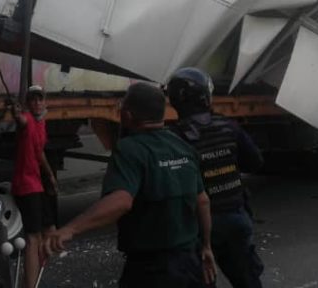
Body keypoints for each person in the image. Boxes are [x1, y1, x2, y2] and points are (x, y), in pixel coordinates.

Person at [44, 83, 216, 288]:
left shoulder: (129, 150)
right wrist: (206, 247)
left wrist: (70, 229)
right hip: (190, 262)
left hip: (151, 270)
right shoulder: (181, 146)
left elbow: (121, 201)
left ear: (127, 115)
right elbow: (203, 201)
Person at [167, 68, 264, 288]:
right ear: (205, 96)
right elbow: (255, 162)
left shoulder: (173, 138)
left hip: (197, 225)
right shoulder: (228, 126)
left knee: (203, 279)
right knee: (248, 280)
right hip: (235, 216)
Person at [12, 85, 58, 288]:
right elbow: (21, 121)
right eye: (33, 100)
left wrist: (49, 175)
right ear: (28, 104)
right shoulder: (28, 120)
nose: (37, 103)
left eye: (40, 99)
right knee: (33, 238)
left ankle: (27, 281)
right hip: (25, 186)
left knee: (49, 232)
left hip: (37, 184)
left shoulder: (41, 123)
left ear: (45, 102)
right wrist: (16, 113)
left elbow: (39, 152)